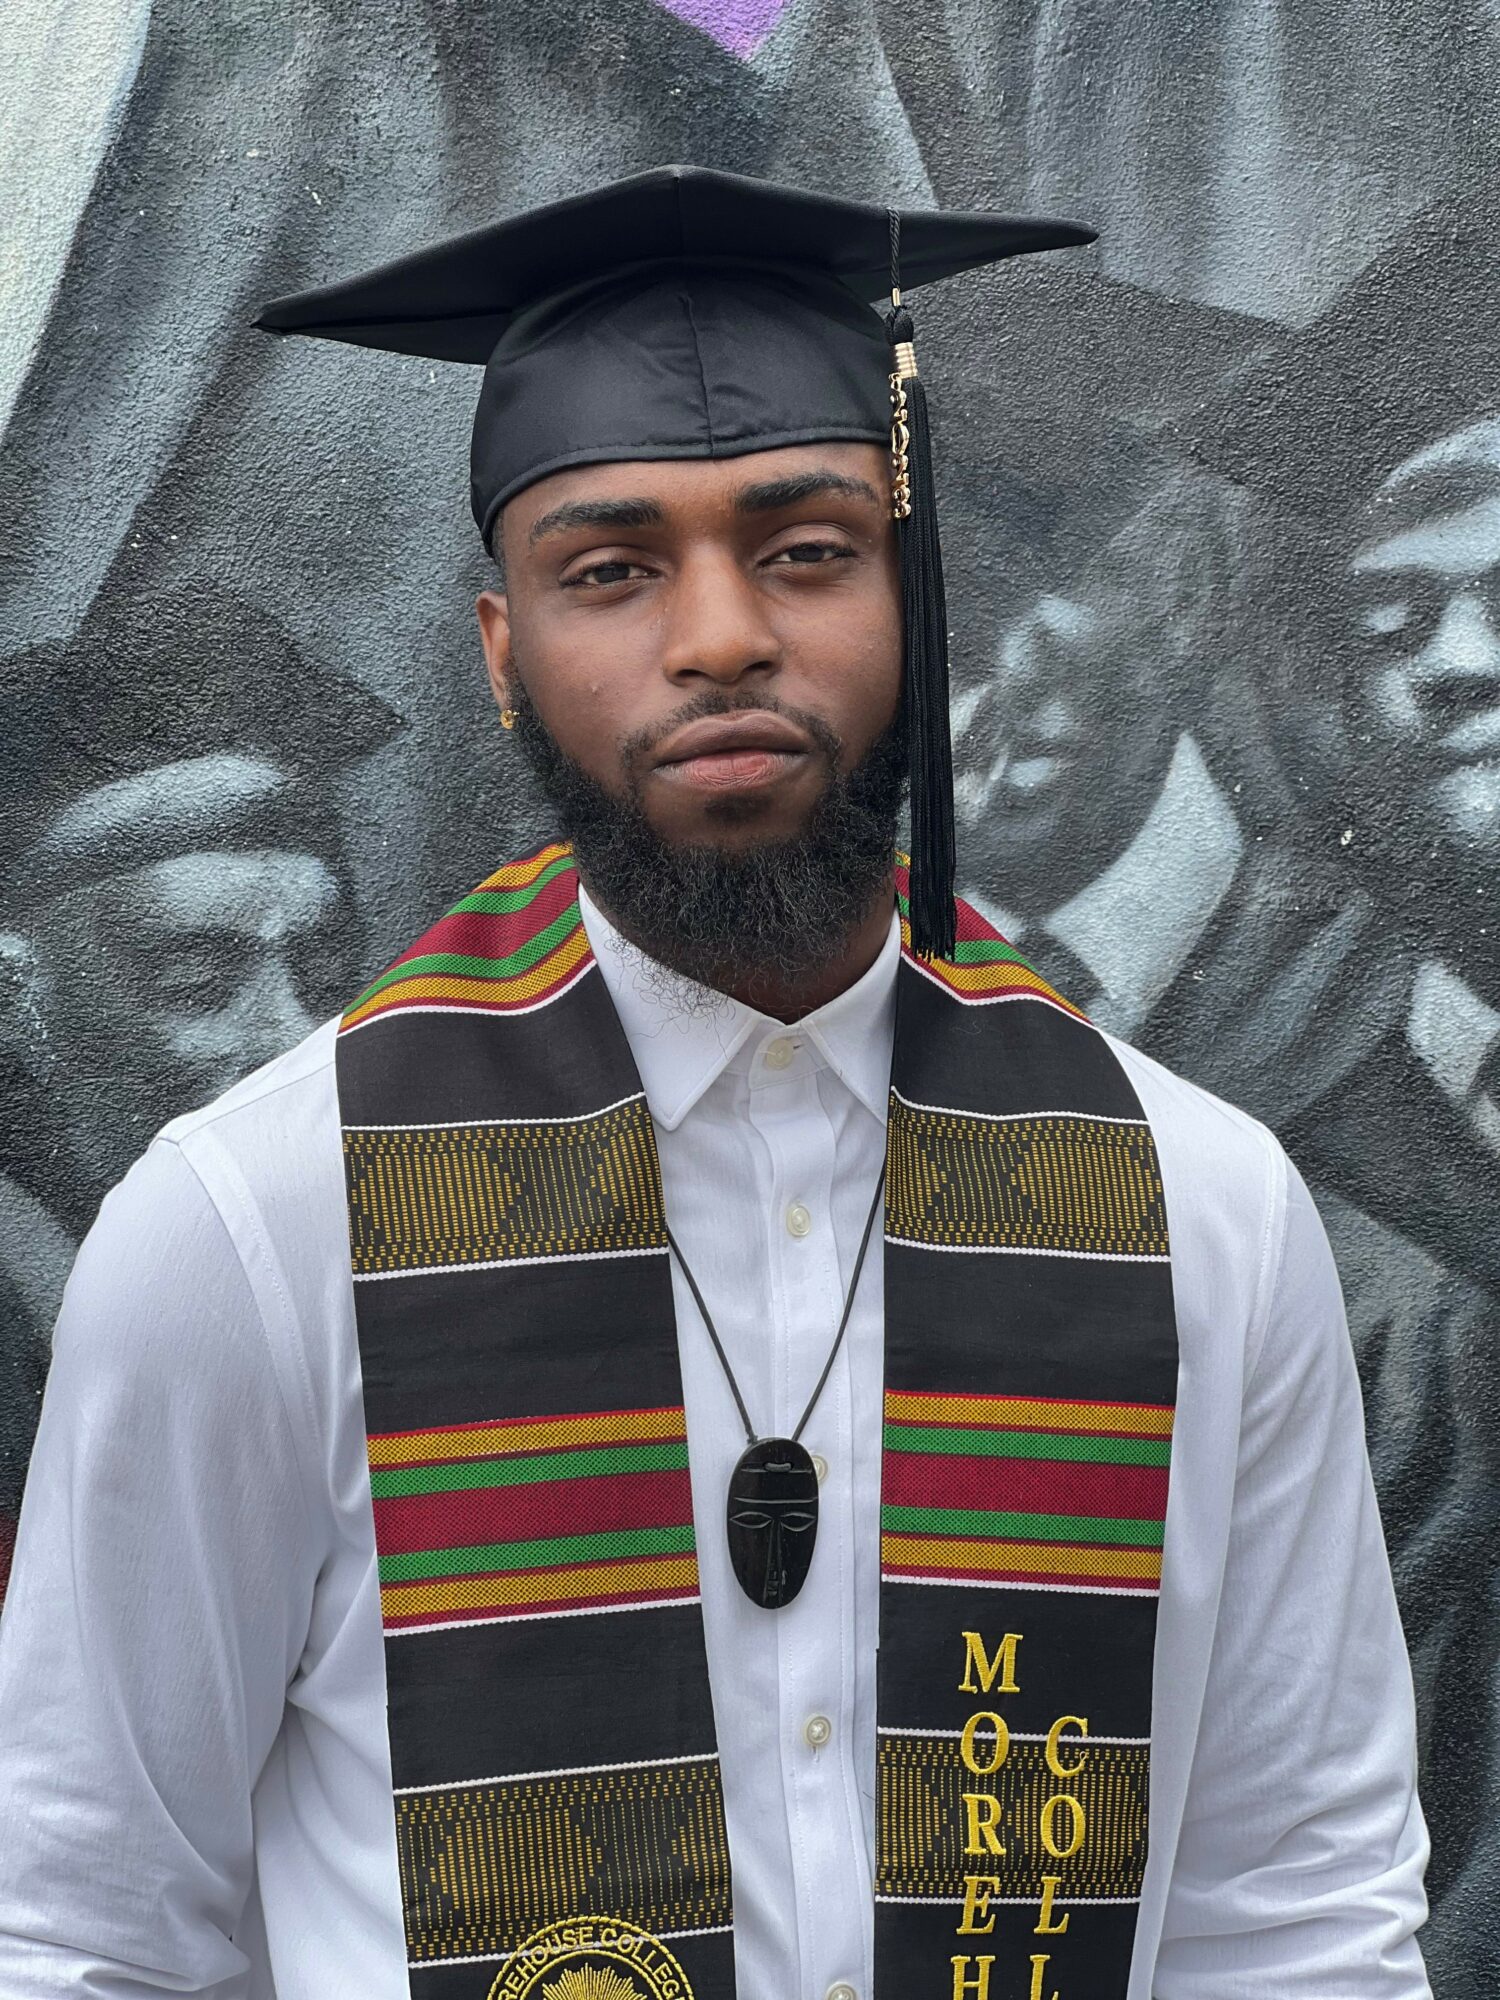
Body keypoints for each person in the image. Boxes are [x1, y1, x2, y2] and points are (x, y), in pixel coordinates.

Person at [0, 166, 1429, 2000]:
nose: (720, 637)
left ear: (918, 603)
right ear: (505, 660)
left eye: (806, 548)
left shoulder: (1200, 1210)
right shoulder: (254, 1226)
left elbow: (1296, 1914)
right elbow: (79, 1927)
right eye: (610, 569)